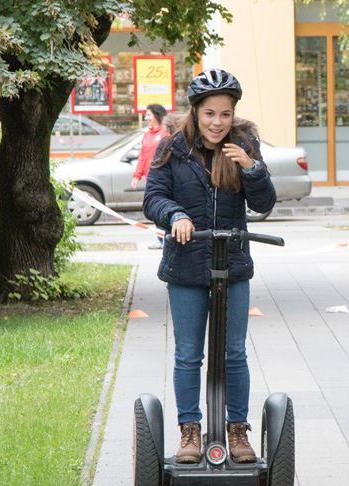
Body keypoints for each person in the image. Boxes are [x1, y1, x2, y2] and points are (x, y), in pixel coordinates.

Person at [143, 68, 276, 464]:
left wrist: (252, 168)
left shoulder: (245, 146)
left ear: (233, 113)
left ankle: (237, 430)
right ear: (195, 112)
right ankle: (190, 431)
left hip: (232, 265)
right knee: (188, 353)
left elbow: (264, 204)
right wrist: (176, 215)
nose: (218, 122)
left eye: (225, 114)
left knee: (234, 352)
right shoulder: (171, 149)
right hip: (186, 267)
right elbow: (154, 198)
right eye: (209, 114)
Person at [130, 103, 169, 190]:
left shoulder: (166, 133)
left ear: (157, 115)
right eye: (145, 115)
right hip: (150, 179)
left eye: (148, 115)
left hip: (164, 178)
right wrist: (137, 176)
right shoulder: (147, 135)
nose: (145, 118)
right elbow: (142, 157)